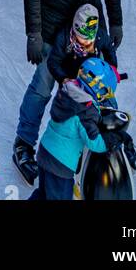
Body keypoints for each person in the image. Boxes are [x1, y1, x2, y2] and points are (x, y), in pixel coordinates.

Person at [13, 0, 123, 186]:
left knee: (99, 84)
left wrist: (117, 22)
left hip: (88, 31)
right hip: (53, 32)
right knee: (42, 88)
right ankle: (24, 143)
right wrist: (34, 34)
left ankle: (111, 139)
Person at [31, 57, 121, 201]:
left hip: (44, 151)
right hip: (60, 166)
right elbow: (94, 143)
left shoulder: (66, 90)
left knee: (43, 193)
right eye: (105, 92)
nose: (104, 97)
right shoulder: (86, 111)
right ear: (98, 88)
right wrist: (111, 140)